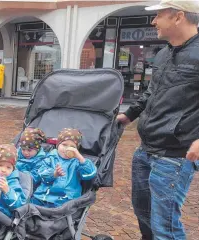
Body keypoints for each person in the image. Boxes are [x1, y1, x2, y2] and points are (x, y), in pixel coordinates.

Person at [117, 1, 199, 239]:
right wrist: (129, 115)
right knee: (143, 214)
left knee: (165, 226)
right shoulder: (163, 54)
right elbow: (151, 93)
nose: (153, 22)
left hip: (175, 154)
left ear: (178, 17)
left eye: (159, 15)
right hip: (145, 150)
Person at [31, 128, 96, 208]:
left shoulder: (77, 162)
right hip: (43, 195)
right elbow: (41, 173)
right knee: (29, 207)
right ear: (58, 145)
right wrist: (53, 174)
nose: (67, 148)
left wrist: (80, 157)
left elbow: (90, 174)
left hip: (65, 199)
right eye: (64, 145)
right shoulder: (50, 158)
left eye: (72, 147)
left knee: (57, 213)